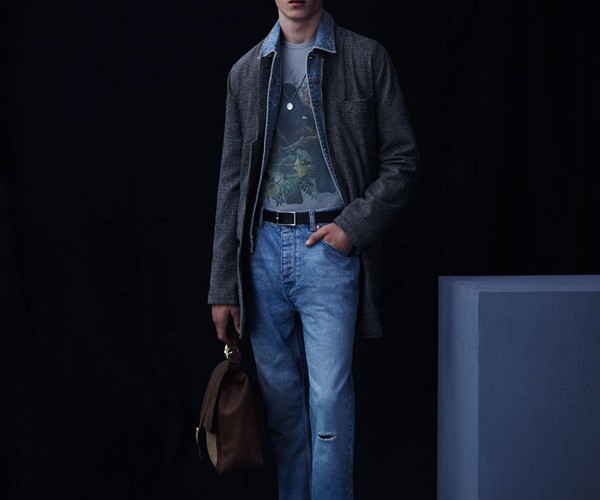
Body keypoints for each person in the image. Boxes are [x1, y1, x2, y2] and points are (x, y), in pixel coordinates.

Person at [208, 1, 419, 498]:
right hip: (260, 254)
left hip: (329, 250)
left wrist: (351, 227)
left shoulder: (365, 58)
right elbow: (231, 182)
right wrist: (223, 285)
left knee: (329, 411)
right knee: (283, 415)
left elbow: (403, 158)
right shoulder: (245, 72)